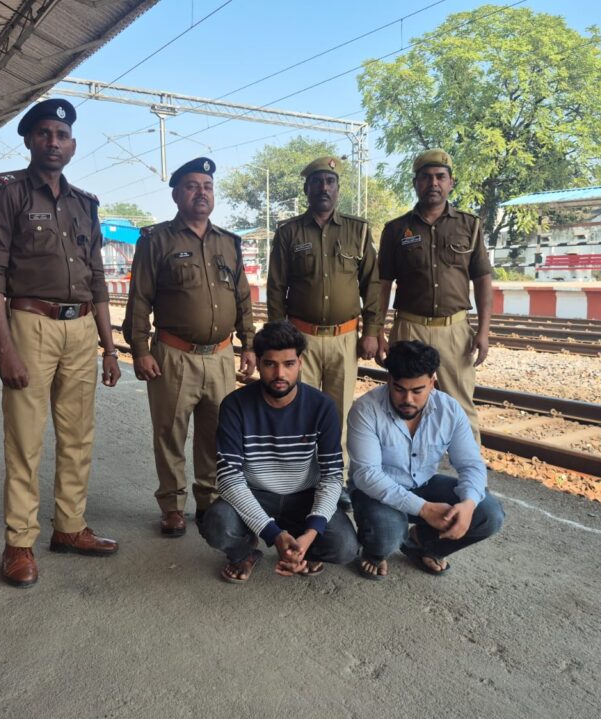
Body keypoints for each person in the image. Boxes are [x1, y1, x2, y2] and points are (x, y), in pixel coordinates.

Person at [0, 98, 121, 588]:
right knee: (25, 439)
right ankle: (19, 543)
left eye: (61, 136)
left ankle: (70, 527)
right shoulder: (6, 192)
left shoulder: (85, 204)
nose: (53, 142)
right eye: (44, 134)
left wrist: (109, 347)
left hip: (81, 328)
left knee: (78, 435)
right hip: (30, 324)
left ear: (72, 146)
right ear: (29, 141)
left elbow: (97, 279)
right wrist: (5, 349)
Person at [124, 157, 256, 538]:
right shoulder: (156, 241)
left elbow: (243, 298)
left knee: (216, 435)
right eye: (192, 186)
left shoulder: (228, 242)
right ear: (177, 195)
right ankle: (172, 506)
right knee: (170, 433)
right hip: (174, 356)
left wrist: (249, 343)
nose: (202, 193)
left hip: (221, 357)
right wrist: (140, 350)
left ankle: (209, 501)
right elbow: (140, 299)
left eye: (207, 187)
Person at [199, 321, 358, 583]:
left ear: (300, 363)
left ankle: (302, 551)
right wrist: (274, 534)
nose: (279, 373)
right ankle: (244, 553)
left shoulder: (322, 406)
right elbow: (228, 479)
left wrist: (311, 533)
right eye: (270, 364)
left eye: (289, 364)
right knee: (216, 525)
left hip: (304, 496)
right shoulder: (235, 406)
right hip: (255, 493)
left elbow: (331, 476)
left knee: (345, 547)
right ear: (258, 363)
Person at [267, 156, 380, 511]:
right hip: (301, 339)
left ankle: (335, 481)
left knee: (339, 414)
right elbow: (276, 287)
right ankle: (298, 483)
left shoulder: (358, 231)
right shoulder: (289, 233)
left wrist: (372, 330)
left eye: (330, 181)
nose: (324, 188)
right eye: (317, 181)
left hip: (346, 338)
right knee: (299, 412)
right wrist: (279, 339)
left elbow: (373, 284)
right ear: (306, 189)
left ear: (338, 189)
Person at [348, 340, 504, 579]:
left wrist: (468, 504)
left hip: (424, 484)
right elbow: (367, 476)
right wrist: (425, 509)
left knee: (488, 514)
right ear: (389, 380)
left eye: (417, 391)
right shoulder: (366, 409)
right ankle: (374, 552)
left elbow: (471, 464)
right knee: (388, 533)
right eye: (399, 389)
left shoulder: (449, 409)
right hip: (376, 493)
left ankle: (423, 544)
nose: (407, 399)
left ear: (432, 381)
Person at [375, 149, 493, 445]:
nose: (433, 183)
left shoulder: (469, 225)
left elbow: (482, 279)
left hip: (455, 331)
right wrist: (377, 331)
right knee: (404, 405)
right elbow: (383, 283)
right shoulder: (396, 230)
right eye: (426, 177)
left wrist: (484, 330)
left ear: (451, 182)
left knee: (460, 407)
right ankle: (404, 468)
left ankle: (469, 473)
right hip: (409, 329)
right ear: (415, 183)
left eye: (440, 177)